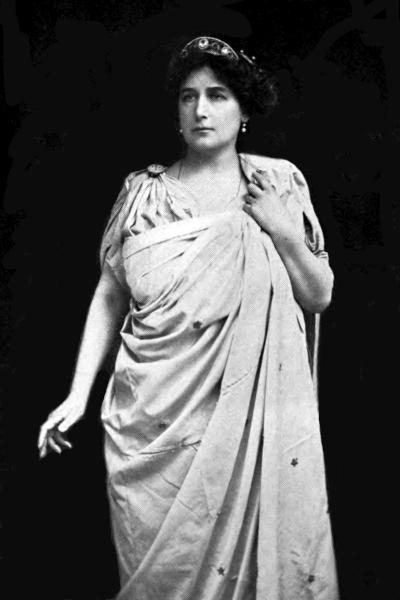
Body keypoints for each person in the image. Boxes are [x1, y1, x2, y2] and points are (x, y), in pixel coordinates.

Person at [38, 36, 338, 600]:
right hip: (154, 429)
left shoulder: (276, 183)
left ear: (244, 109)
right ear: (175, 112)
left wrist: (282, 230)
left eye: (218, 95)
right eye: (188, 96)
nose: (201, 109)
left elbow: (318, 295)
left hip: (253, 427)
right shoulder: (143, 194)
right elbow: (109, 294)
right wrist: (78, 395)